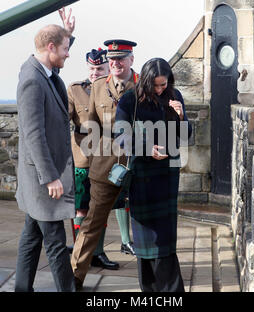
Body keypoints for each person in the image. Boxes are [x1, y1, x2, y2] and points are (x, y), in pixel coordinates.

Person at [115, 57, 192, 292]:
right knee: (146, 241)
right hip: (142, 178)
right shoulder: (129, 100)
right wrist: (147, 148)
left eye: (164, 84)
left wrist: (180, 117)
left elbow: (186, 136)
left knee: (166, 239)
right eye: (156, 85)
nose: (160, 89)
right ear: (147, 81)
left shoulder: (174, 95)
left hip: (167, 177)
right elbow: (120, 136)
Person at [14, 8, 76, 292]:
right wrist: (50, 177)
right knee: (55, 243)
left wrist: (68, 33)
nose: (68, 53)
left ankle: (22, 289)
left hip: (38, 179)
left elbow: (59, 51)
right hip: (41, 179)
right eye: (65, 48)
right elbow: (33, 134)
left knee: (31, 238)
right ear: (50, 47)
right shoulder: (32, 79)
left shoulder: (46, 71)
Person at [71, 39, 138, 289]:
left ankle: (153, 281)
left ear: (131, 59)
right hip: (104, 165)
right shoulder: (99, 86)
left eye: (121, 58)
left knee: (143, 223)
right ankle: (75, 277)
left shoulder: (143, 85)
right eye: (112, 59)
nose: (115, 63)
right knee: (91, 223)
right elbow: (90, 126)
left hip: (137, 164)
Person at [68, 47, 124, 270]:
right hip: (84, 159)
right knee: (82, 209)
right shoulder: (75, 90)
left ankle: (97, 253)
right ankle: (79, 252)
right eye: (91, 68)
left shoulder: (114, 88)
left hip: (108, 158)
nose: (94, 73)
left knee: (101, 208)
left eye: (99, 68)